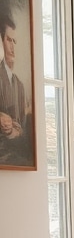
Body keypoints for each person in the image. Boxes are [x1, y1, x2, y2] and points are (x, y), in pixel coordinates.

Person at [0, 10, 33, 166]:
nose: (12, 46)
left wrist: (14, 131)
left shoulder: (19, 85)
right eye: (8, 40)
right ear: (1, 41)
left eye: (15, 41)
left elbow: (22, 128)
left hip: (15, 155)